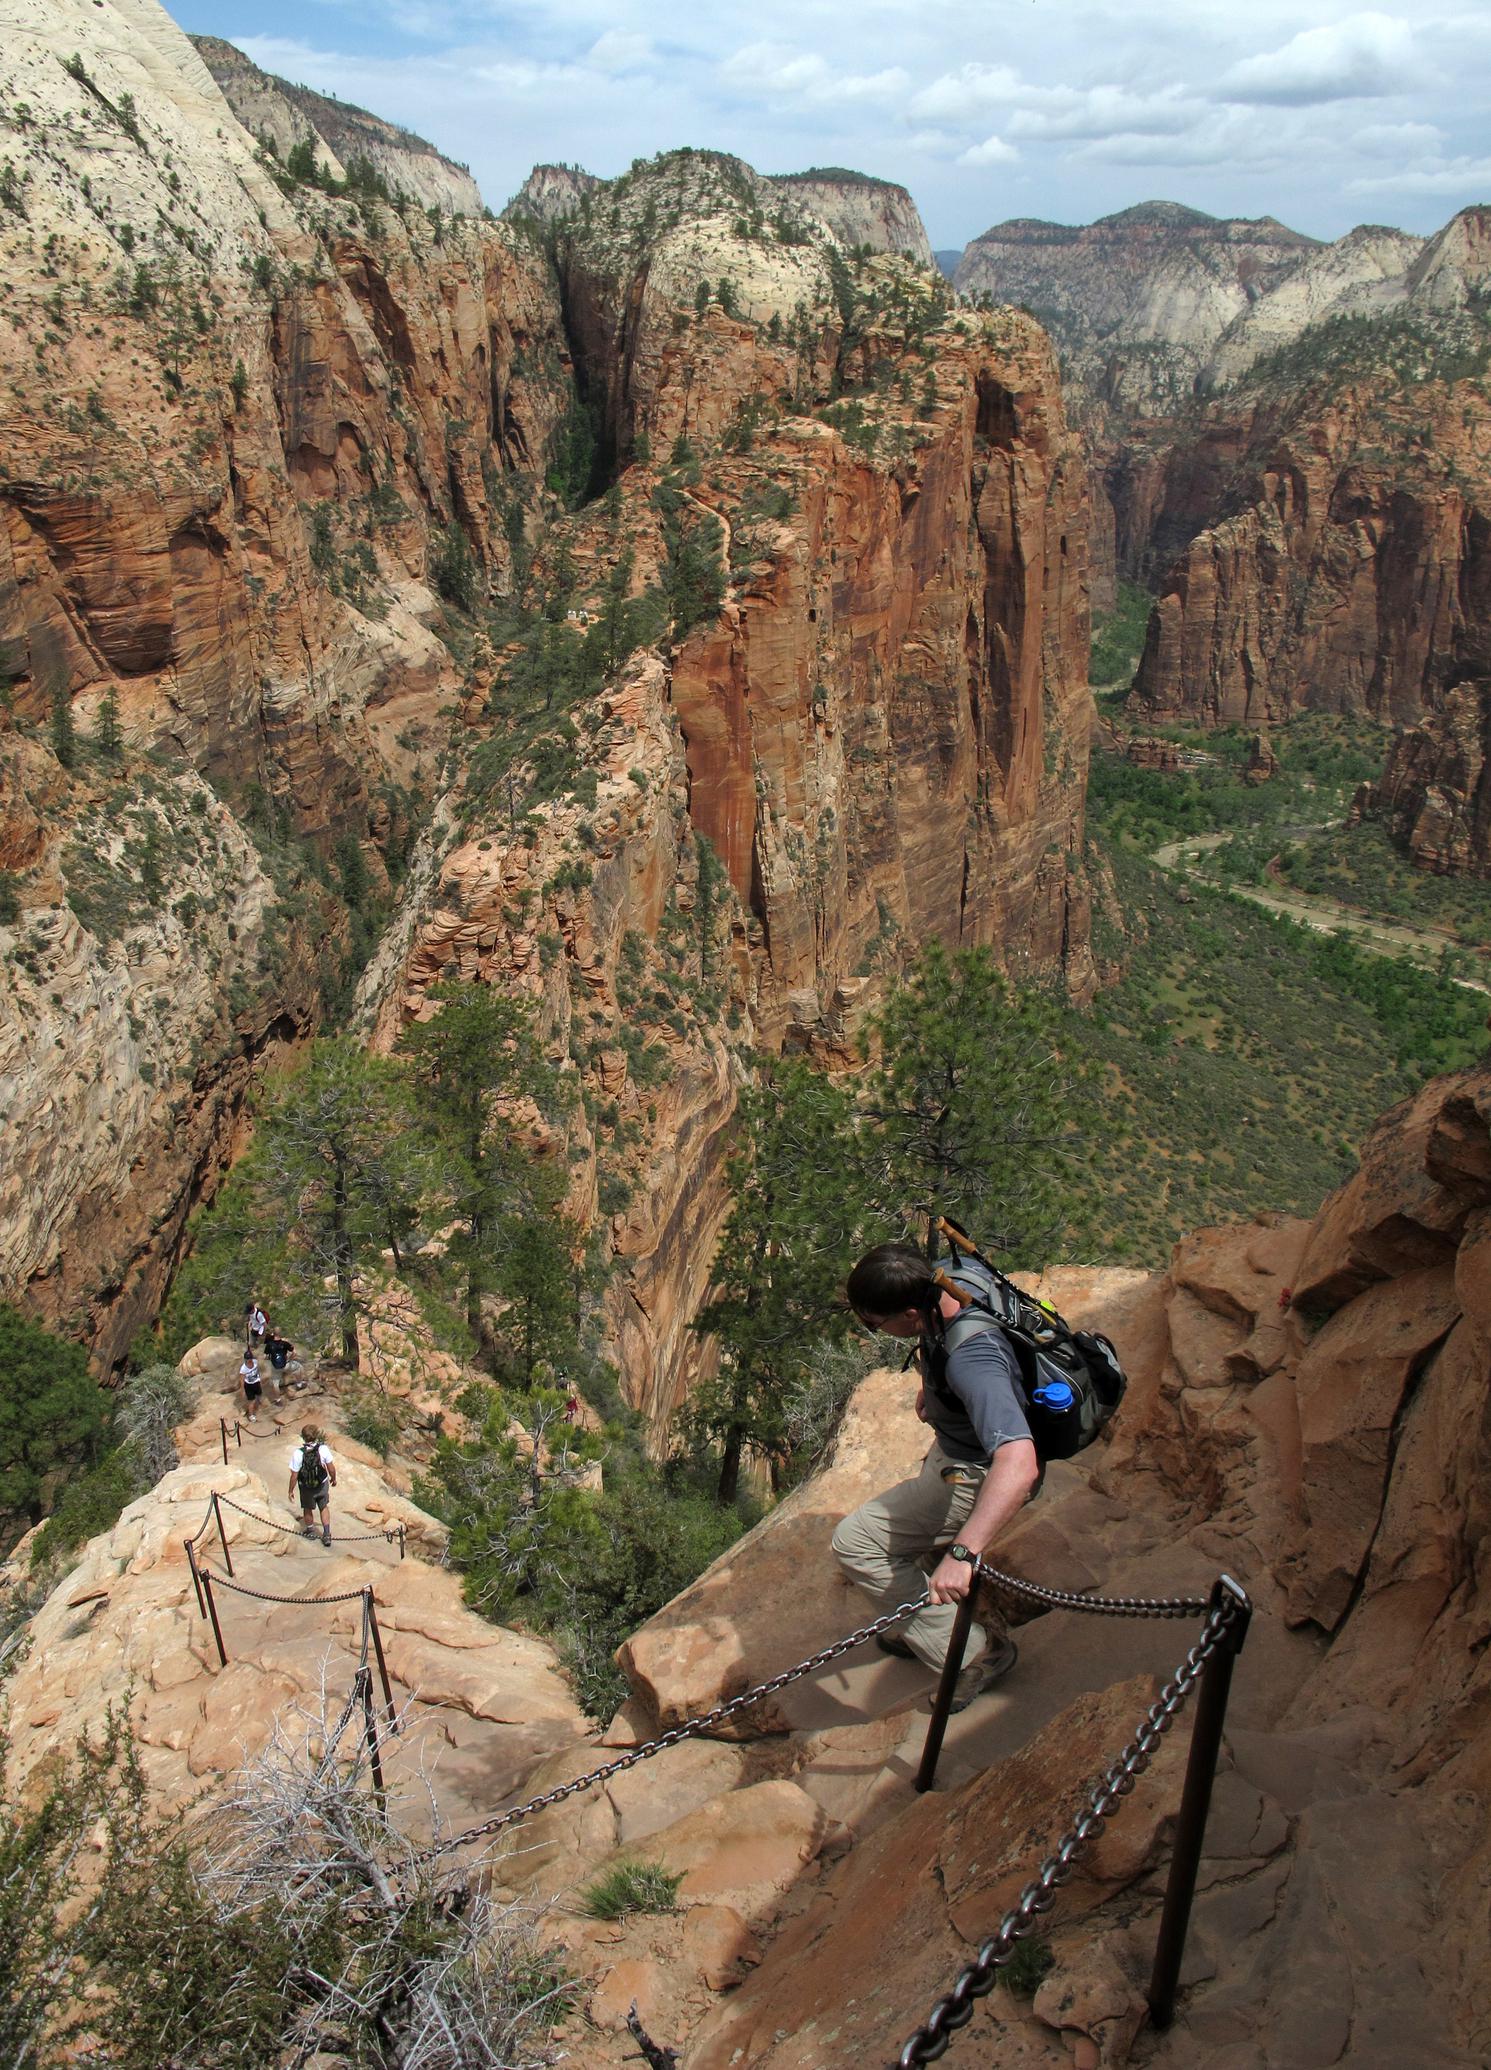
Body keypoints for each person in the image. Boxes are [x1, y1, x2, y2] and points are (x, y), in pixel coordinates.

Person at [832, 1242, 1041, 1712]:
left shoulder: (973, 1361)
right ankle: (918, 1618)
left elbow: (1020, 1461)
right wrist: (936, 1387)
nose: (873, 1331)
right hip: (957, 1446)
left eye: (875, 1324)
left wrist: (964, 1555)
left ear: (909, 1313)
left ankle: (974, 1653)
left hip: (973, 1473)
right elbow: (944, 1342)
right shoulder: (943, 1280)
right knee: (911, 1523)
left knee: (855, 1543)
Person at [288, 1426, 337, 1546]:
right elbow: (331, 1467)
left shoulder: (298, 1453)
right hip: (321, 1483)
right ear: (316, 1436)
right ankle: (326, 1534)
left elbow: (294, 1475)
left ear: (303, 1437)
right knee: (323, 1506)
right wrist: (333, 1478)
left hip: (306, 1486)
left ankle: (310, 1530)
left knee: (307, 1508)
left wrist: (290, 1490)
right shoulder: (323, 1449)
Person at [238, 1348, 264, 1422]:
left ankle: (258, 1401)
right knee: (251, 1401)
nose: (249, 1360)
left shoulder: (255, 1362)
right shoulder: (243, 1368)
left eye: (250, 1358)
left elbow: (257, 1370)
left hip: (256, 1382)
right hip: (249, 1385)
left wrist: (259, 1378)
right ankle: (251, 1415)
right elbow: (242, 1379)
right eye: (248, 1359)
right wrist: (242, 1390)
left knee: (259, 1394)